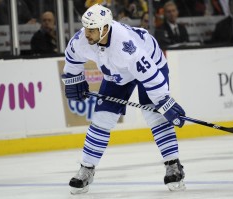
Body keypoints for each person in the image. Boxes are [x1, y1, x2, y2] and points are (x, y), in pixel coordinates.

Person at [61, 3, 186, 194]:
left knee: (156, 115)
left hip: (151, 65)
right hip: (116, 74)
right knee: (102, 118)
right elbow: (72, 58)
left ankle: (173, 165)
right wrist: (73, 79)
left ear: (104, 29)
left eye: (92, 29)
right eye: (86, 27)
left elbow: (150, 74)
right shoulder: (82, 40)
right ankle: (86, 168)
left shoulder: (127, 47)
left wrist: (163, 101)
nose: (87, 33)